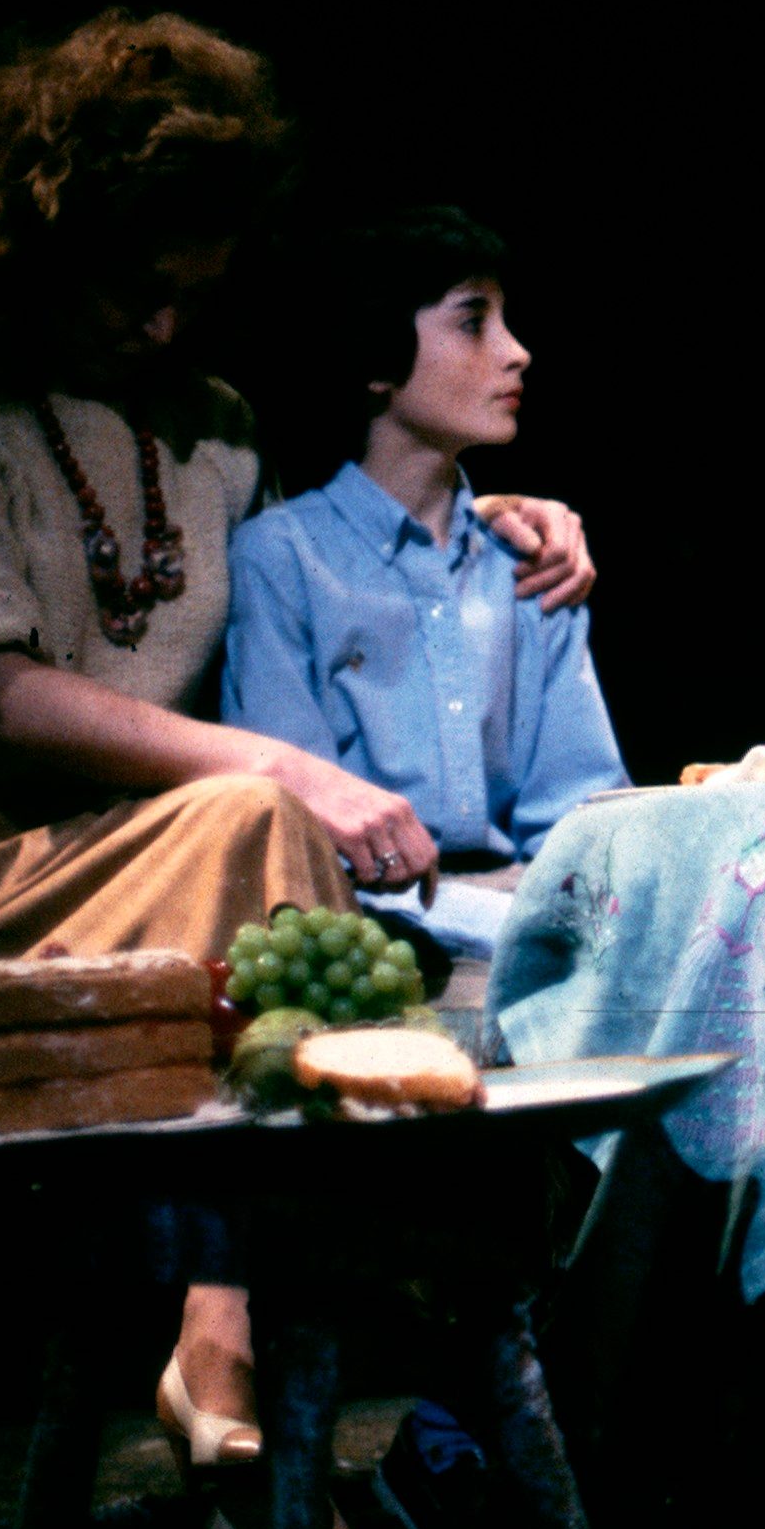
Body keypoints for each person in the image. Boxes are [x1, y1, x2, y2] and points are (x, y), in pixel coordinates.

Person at [0, 11, 597, 1529]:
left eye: (189, 283)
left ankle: (305, 1416)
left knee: (319, 891)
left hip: (160, 879)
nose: (163, 317)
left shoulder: (212, 428)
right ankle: (224, 1352)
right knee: (257, 824)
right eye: (130, 282)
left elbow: (334, 557)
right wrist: (283, 771)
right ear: (35, 240)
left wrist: (497, 516)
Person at [222, 206, 628, 1004]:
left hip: (525, 927)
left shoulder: (528, 563)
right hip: (365, 937)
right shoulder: (283, 557)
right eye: (474, 322)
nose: (516, 351)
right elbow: (295, 830)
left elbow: (583, 819)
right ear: (377, 357)